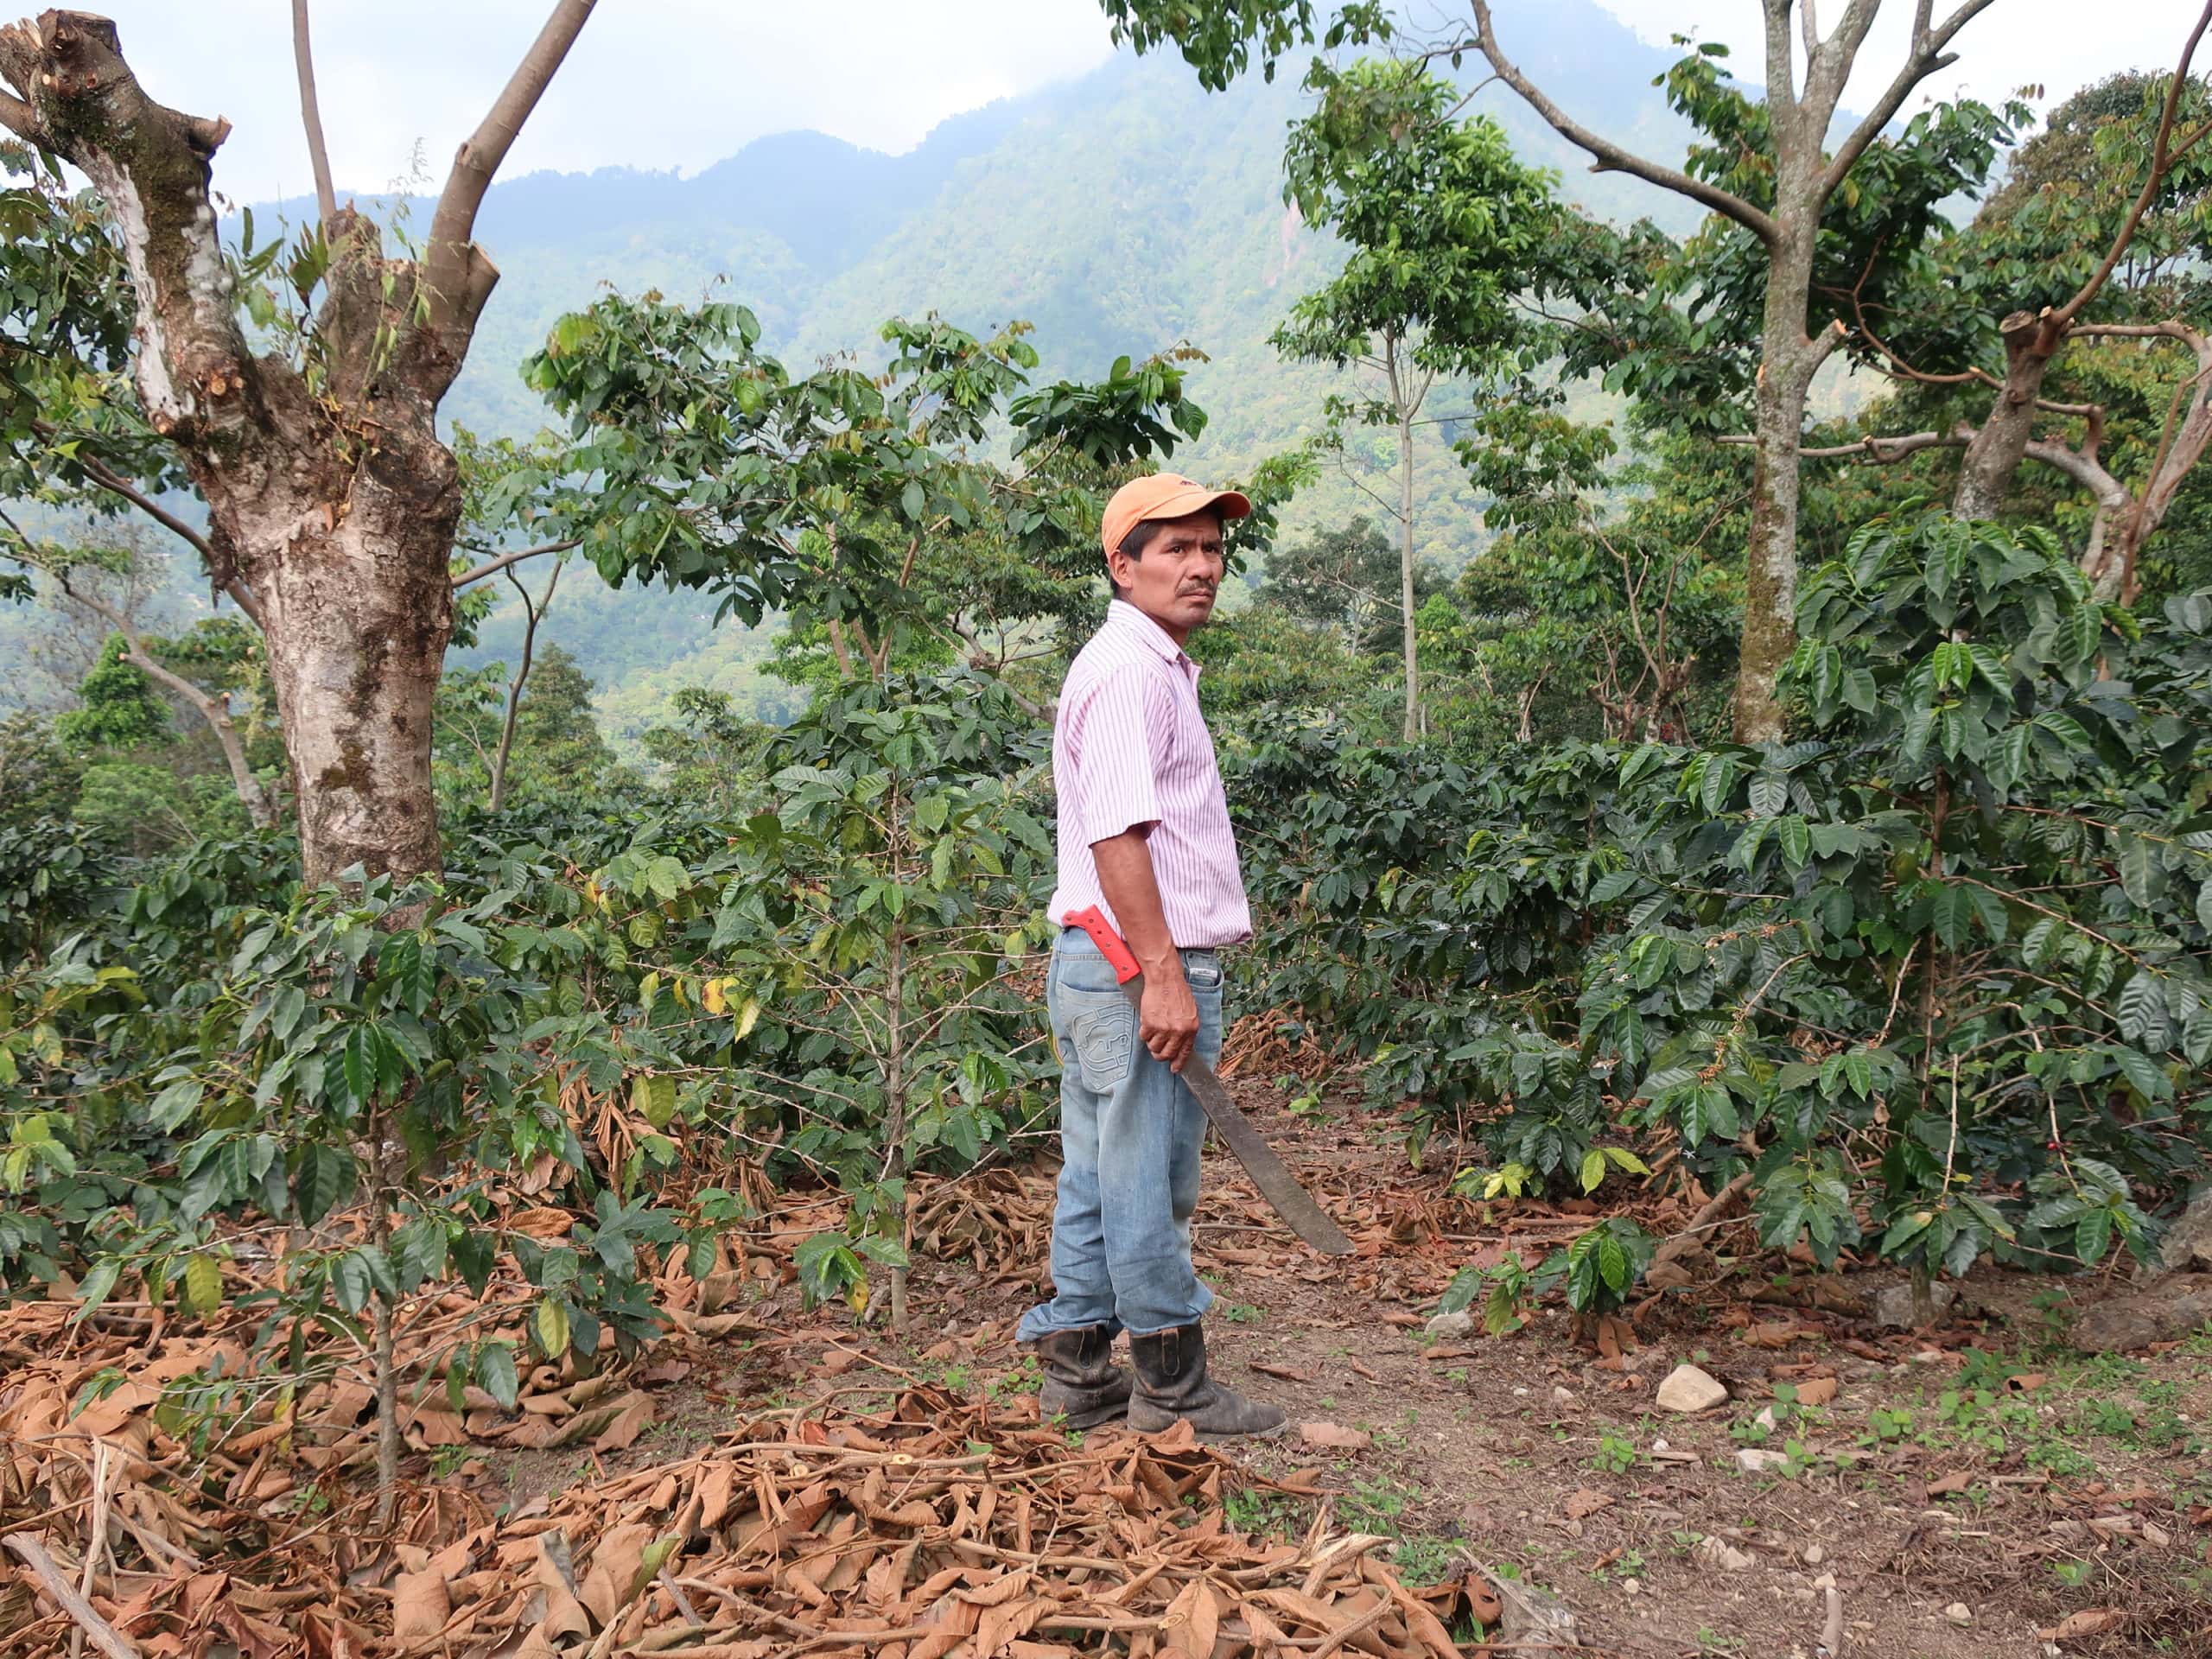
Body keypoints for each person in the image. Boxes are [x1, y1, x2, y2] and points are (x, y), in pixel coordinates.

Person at [1015, 473, 1286, 1440]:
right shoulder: (1131, 671)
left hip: (1101, 961)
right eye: (1176, 548)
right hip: (1135, 965)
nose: (1202, 567)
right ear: (1121, 566)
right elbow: (1119, 839)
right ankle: (1172, 1384)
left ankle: (1079, 1371)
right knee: (1147, 1176)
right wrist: (1164, 974)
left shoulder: (1140, 663)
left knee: (1097, 1168)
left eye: (1212, 549)